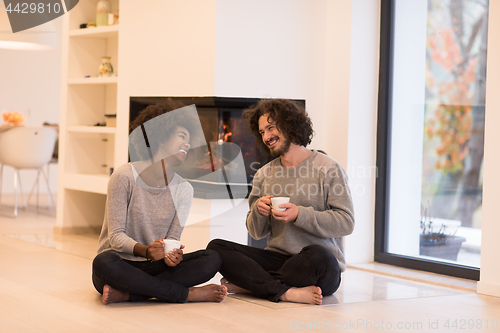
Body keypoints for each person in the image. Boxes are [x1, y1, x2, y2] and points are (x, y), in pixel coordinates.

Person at [207, 99, 355, 305]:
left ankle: (252, 285)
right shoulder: (263, 174)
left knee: (318, 254)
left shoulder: (328, 167)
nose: (266, 137)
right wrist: (258, 211)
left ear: (290, 124)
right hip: (279, 260)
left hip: (318, 266)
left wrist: (299, 215)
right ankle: (285, 292)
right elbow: (256, 233)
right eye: (261, 132)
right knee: (216, 247)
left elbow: (346, 222)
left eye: (270, 128)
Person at [92, 100, 227, 304]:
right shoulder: (124, 176)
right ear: (161, 137)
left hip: (155, 267)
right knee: (103, 261)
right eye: (182, 136)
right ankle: (187, 294)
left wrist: (173, 256)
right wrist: (146, 250)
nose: (188, 144)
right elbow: (116, 238)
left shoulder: (184, 189)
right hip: (121, 264)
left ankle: (131, 294)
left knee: (212, 258)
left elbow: (172, 239)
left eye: (189, 140)